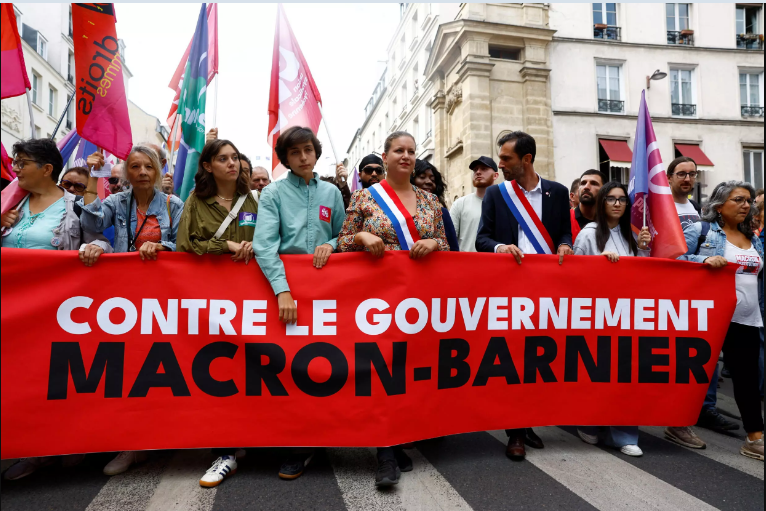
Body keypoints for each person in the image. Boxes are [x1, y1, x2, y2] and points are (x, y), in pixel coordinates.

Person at [338, 131, 447, 487]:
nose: (406, 156)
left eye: (411, 152)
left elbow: (446, 246)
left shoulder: (431, 202)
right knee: (384, 369)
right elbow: (341, 243)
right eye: (399, 151)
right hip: (378, 301)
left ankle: (400, 437)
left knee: (410, 370)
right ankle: (385, 453)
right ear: (384, 157)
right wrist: (361, 237)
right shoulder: (364, 198)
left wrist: (432, 242)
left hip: (419, 300)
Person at [1, 138, 111, 481]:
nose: (16, 169)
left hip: (54, 311)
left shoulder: (74, 207)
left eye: (22, 163)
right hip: (11, 313)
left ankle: (50, 449)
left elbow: (102, 239)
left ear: (47, 170)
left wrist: (95, 248)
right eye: (16, 163)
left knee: (49, 381)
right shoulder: (8, 203)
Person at [253, 126, 345, 481]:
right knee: (289, 367)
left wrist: (333, 245)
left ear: (316, 152)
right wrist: (283, 290)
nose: (304, 157)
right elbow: (264, 244)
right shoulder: (273, 193)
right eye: (295, 152)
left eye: (308, 150)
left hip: (327, 292)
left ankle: (321, 438)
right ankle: (296, 445)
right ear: (286, 158)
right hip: (287, 292)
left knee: (324, 367)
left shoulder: (332, 192)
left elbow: (343, 233)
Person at [476, 130, 573, 461]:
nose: (500, 164)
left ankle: (528, 421)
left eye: (506, 159)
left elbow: (564, 230)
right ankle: (515, 432)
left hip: (547, 291)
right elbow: (482, 240)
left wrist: (565, 244)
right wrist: (501, 248)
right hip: (510, 292)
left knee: (539, 359)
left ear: (527, 160)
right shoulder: (496, 195)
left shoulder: (558, 193)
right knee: (513, 359)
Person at [173, 139, 258, 487]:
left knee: (249, 368)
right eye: (222, 159)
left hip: (250, 299)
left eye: (235, 157)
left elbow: (269, 239)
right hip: (210, 300)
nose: (231, 164)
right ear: (208, 166)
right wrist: (227, 245)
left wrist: (257, 244)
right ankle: (223, 451)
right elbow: (185, 244)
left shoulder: (252, 200)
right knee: (218, 369)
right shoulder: (197, 201)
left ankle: (247, 438)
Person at [679, 181, 764, 461]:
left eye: (749, 200)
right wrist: (701, 261)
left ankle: (754, 437)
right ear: (718, 206)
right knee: (696, 374)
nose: (746, 205)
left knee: (747, 379)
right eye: (738, 199)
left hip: (747, 320)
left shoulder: (754, 237)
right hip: (710, 317)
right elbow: (675, 260)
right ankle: (678, 424)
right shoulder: (701, 231)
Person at [573, 182, 651, 457]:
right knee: (595, 374)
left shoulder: (632, 236)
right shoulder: (589, 234)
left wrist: (643, 250)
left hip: (626, 317)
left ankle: (625, 434)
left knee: (625, 376)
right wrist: (598, 264)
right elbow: (573, 275)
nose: (617, 204)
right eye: (611, 199)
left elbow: (642, 278)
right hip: (595, 318)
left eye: (622, 200)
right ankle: (589, 422)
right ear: (602, 203)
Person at [78, 146, 183, 268]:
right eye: (135, 166)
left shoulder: (174, 205)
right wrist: (93, 176)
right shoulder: (116, 201)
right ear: (127, 174)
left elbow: (182, 246)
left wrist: (162, 246)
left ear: (157, 172)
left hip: (161, 279)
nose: (143, 172)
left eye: (149, 167)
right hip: (125, 277)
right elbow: (91, 225)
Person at [449, 156, 498, 252]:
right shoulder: (460, 204)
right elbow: (449, 238)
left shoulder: (503, 204)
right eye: (475, 170)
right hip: (466, 264)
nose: (478, 172)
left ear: (495, 175)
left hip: (495, 263)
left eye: (484, 169)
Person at [412, 159, 459, 251]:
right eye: (422, 177)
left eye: (432, 180)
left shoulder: (441, 212)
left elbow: (453, 248)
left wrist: (435, 243)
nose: (429, 182)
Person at [570, 169, 606, 243]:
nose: (586, 187)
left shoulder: (611, 222)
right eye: (583, 183)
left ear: (605, 191)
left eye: (594, 183)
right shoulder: (565, 219)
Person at [667, 156, 702, 230]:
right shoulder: (658, 208)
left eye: (692, 174)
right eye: (681, 174)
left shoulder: (697, 208)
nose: (687, 179)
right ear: (669, 178)